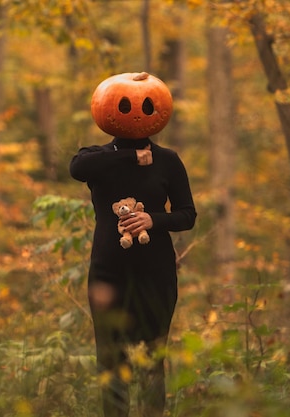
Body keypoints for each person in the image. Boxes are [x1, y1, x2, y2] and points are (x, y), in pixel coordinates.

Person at [70, 134, 197, 416]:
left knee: (152, 359)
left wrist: (154, 219)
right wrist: (132, 156)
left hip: (156, 275)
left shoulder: (168, 160)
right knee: (112, 359)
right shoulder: (97, 158)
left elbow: (188, 215)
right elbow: (77, 168)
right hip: (108, 276)